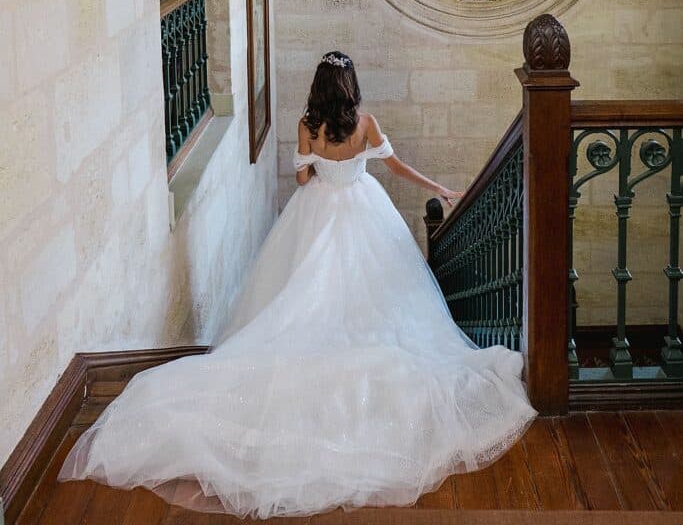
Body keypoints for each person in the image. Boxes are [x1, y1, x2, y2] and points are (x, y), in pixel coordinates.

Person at [59, 52, 536, 518]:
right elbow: (395, 167)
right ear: (350, 87)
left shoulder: (307, 126)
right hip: (363, 208)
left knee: (304, 291)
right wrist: (438, 188)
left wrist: (317, 161)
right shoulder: (366, 123)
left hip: (318, 212)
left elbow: (304, 179)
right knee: (379, 298)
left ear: (318, 87)